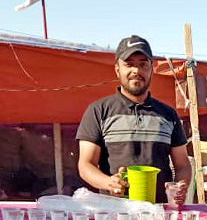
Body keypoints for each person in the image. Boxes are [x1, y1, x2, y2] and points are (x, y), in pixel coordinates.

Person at [76, 35, 192, 204]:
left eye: (143, 64)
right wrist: (108, 183)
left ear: (151, 69)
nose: (136, 71)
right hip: (114, 212)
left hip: (159, 211)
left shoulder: (168, 115)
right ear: (117, 69)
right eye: (129, 64)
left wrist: (180, 186)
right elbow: (85, 165)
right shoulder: (98, 111)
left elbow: (183, 165)